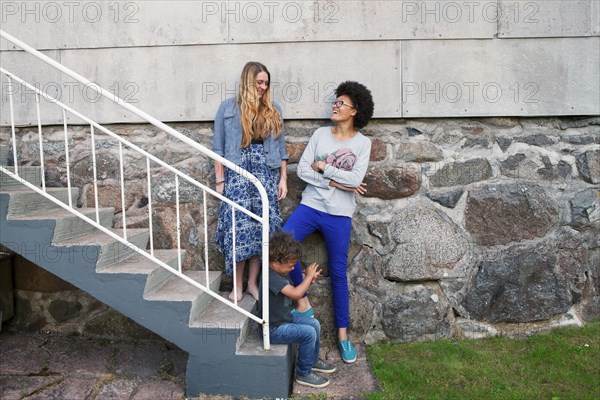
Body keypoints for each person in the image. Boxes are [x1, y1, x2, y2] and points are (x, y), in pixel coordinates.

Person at [283, 81, 374, 364]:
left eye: (341, 103)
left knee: (338, 273)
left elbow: (356, 180)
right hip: (310, 206)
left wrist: (324, 169)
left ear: (354, 111)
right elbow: (302, 170)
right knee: (284, 244)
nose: (335, 106)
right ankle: (302, 300)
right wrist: (337, 181)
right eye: (335, 102)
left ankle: (343, 338)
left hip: (339, 215)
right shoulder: (321, 134)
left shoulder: (363, 143)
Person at [213, 61, 288, 302]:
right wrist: (220, 181)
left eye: (266, 83)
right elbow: (218, 149)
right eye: (259, 82)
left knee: (260, 230)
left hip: (265, 172)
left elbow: (282, 149)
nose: (263, 87)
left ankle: (252, 284)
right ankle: (236, 285)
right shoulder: (227, 108)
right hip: (237, 172)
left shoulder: (273, 109)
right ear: (248, 81)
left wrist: (283, 179)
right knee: (239, 230)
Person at [260, 231, 336, 388]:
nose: (292, 268)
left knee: (314, 324)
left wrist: (309, 282)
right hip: (273, 329)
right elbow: (296, 294)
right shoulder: (270, 277)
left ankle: (312, 360)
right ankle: (303, 373)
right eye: (290, 265)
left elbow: (294, 290)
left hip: (285, 318)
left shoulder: (278, 272)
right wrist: (307, 277)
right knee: (308, 333)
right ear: (275, 263)